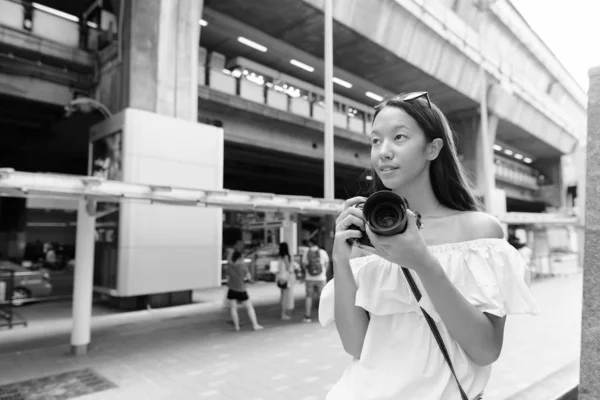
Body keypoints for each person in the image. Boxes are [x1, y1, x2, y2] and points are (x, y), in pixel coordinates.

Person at [319, 92, 540, 399]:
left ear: (433, 148)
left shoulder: (477, 232)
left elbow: (486, 349)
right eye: (375, 140)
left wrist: (422, 262)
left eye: (399, 137)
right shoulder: (364, 241)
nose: (383, 152)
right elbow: (356, 347)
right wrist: (340, 261)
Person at [226, 251, 263, 332]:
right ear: (239, 258)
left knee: (233, 308)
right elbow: (249, 278)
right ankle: (255, 325)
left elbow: (228, 278)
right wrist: (253, 281)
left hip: (231, 290)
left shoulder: (229, 267)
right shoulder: (243, 266)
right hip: (241, 290)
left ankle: (236, 326)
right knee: (249, 307)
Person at [302, 239, 329, 323]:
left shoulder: (306, 252)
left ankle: (307, 316)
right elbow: (326, 264)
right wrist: (323, 273)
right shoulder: (323, 252)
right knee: (322, 297)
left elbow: (304, 265)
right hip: (321, 278)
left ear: (310, 243)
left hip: (309, 278)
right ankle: (324, 316)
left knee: (309, 297)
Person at [275, 242, 295, 320]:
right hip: (285, 278)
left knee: (282, 296)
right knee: (285, 298)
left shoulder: (280, 257)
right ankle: (283, 314)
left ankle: (283, 313)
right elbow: (288, 268)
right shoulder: (286, 257)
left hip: (280, 278)